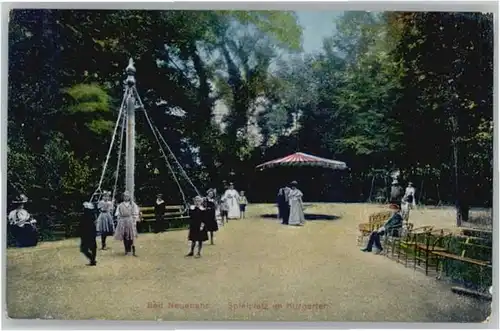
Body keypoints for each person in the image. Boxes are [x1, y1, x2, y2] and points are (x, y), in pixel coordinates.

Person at [114, 191, 140, 256]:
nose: (126, 197)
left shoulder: (132, 204)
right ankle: (126, 249)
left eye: (127, 196)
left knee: (130, 235)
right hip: (123, 221)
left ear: (129, 197)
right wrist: (119, 218)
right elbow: (117, 213)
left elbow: (135, 212)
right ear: (123, 197)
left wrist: (135, 220)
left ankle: (130, 250)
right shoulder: (120, 205)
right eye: (125, 196)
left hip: (130, 220)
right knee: (125, 235)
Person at [81, 202, 98, 266]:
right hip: (91, 231)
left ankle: (92, 260)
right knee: (93, 247)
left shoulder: (86, 214)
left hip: (87, 232)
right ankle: (93, 259)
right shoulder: (93, 214)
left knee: (84, 248)